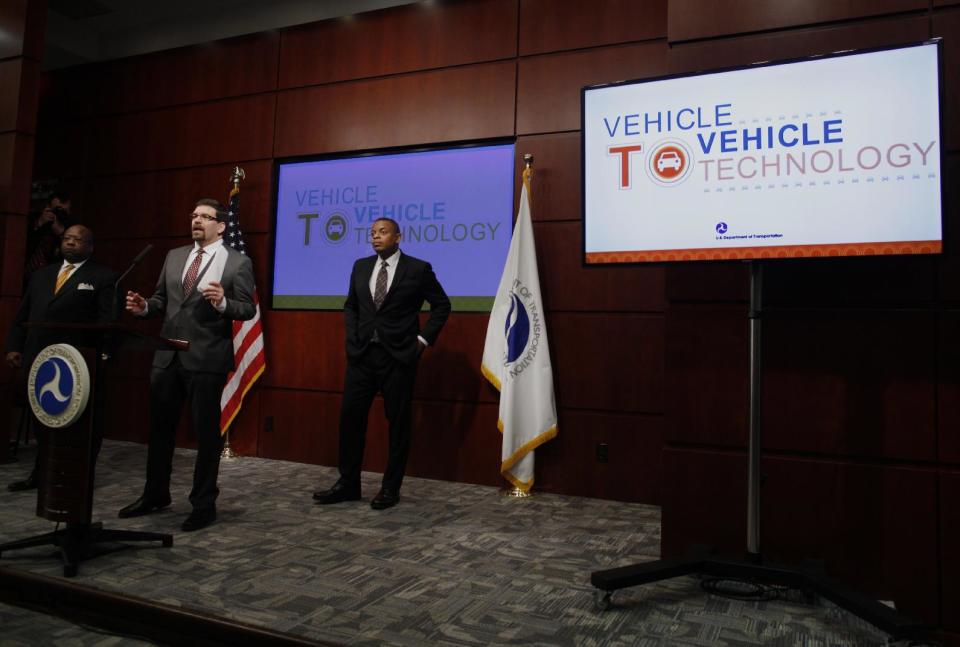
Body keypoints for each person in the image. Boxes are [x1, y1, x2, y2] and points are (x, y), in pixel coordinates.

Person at [117, 198, 255, 532]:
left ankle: (203, 503)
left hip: (206, 358)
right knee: (160, 430)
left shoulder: (236, 262)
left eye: (205, 217)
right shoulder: (175, 256)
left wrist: (223, 303)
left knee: (207, 434)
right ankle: (155, 494)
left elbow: (246, 309)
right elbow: (162, 300)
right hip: (166, 356)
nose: (196, 221)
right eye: (193, 215)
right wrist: (144, 307)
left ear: (221, 226)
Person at [314, 217, 450, 510]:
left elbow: (442, 305)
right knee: (350, 420)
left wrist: (422, 341)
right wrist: (353, 338)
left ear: (398, 237)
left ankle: (390, 488)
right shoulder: (360, 266)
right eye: (373, 233)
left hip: (399, 357)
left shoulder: (418, 268)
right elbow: (351, 305)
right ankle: (348, 484)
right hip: (362, 355)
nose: (376, 237)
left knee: (398, 424)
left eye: (383, 232)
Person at [5, 225, 117, 491]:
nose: (71, 243)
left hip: (78, 362)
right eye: (67, 239)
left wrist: (105, 354)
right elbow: (23, 315)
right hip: (40, 358)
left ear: (90, 246)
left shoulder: (103, 277)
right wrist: (14, 346)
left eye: (78, 240)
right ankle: (41, 472)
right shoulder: (41, 275)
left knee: (80, 422)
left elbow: (108, 322)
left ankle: (78, 475)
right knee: (44, 417)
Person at [24, 190, 78, 285]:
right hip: (26, 278)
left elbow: (73, 255)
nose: (61, 213)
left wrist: (61, 233)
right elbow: (21, 245)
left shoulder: (73, 228)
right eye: (58, 209)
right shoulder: (32, 220)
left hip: (54, 280)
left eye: (65, 210)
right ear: (48, 208)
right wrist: (40, 223)